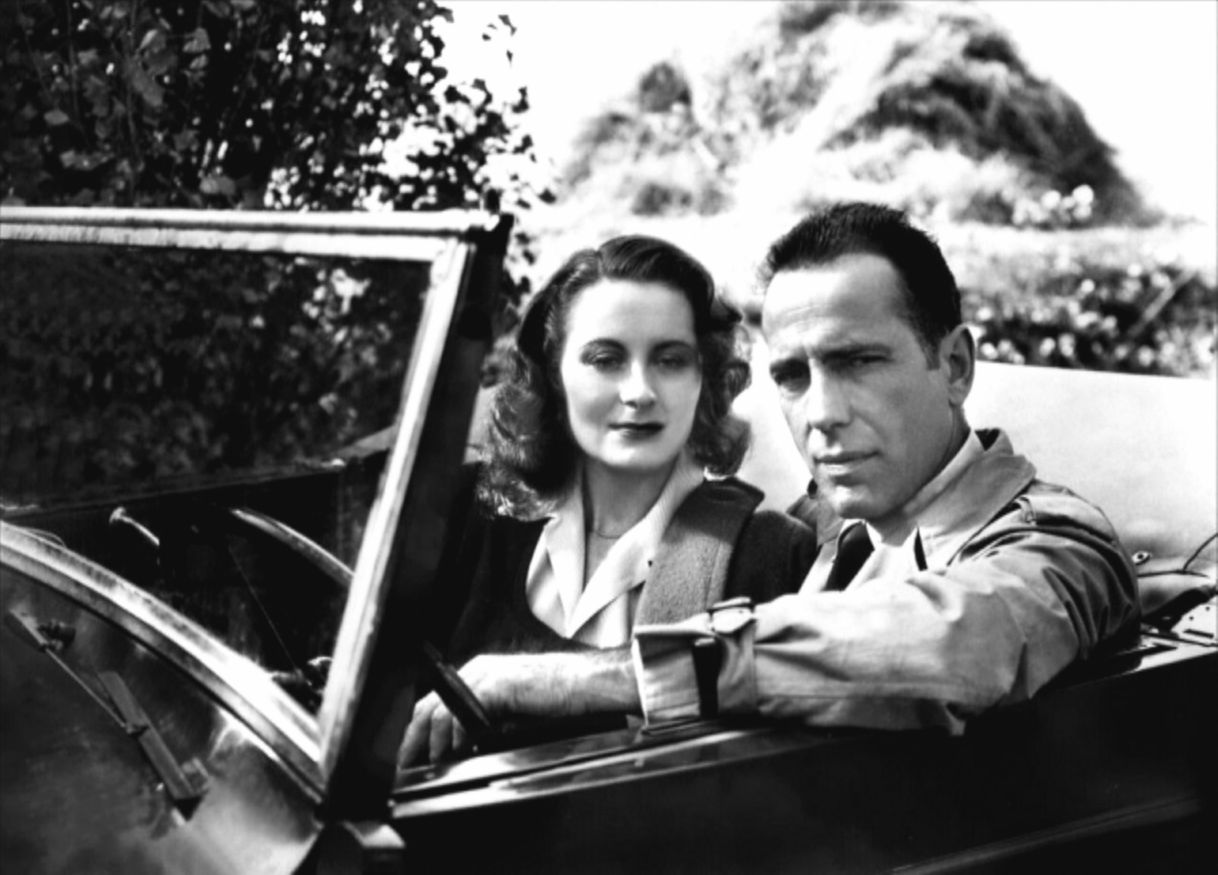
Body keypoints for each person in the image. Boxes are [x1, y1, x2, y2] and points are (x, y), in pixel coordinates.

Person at [399, 203, 1140, 764]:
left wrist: (565, 681)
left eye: (858, 362)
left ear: (954, 367)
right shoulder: (823, 529)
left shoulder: (1060, 546)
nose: (821, 412)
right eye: (791, 376)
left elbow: (956, 644)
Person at [402, 235, 817, 764]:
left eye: (670, 360)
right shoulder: (467, 511)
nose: (639, 391)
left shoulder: (770, 554)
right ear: (554, 373)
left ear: (706, 379)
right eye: (606, 359)